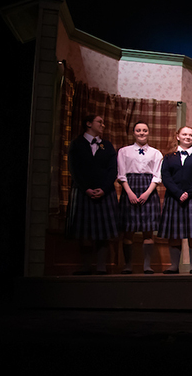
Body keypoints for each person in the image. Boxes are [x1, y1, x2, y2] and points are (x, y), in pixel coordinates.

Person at [67, 115, 118, 275]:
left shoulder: (107, 146)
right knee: (84, 232)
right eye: (99, 122)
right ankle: (86, 267)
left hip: (105, 192)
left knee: (103, 231)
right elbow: (74, 169)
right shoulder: (77, 144)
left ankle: (101, 267)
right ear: (88, 123)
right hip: (83, 192)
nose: (103, 125)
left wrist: (104, 188)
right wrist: (86, 188)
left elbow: (112, 170)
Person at [158, 126, 192, 274]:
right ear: (178, 136)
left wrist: (188, 192)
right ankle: (174, 265)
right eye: (184, 134)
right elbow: (165, 176)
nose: (188, 137)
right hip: (174, 199)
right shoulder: (168, 156)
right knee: (174, 233)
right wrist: (178, 193)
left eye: (191, 135)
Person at [117, 121, 162, 274]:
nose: (141, 133)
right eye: (138, 130)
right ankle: (128, 265)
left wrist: (147, 193)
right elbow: (121, 175)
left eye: (144, 130)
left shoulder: (156, 153)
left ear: (148, 133)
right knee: (128, 229)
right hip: (130, 187)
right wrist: (129, 192)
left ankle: (147, 265)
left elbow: (157, 176)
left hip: (148, 189)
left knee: (148, 230)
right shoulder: (124, 151)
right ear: (133, 133)